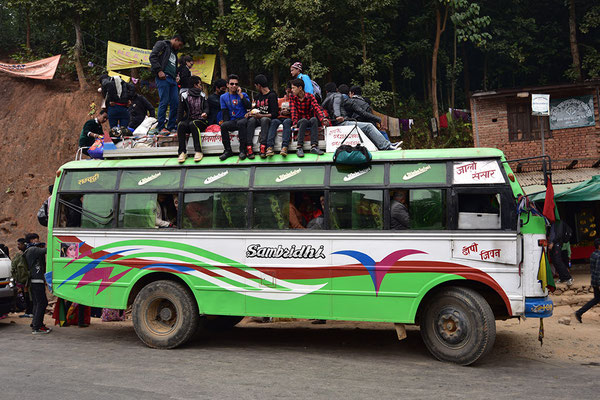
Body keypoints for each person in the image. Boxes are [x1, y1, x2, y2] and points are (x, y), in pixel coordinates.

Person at [343, 85, 399, 150]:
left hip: (350, 126)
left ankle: (388, 144)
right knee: (374, 128)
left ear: (352, 93)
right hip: (360, 127)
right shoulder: (364, 104)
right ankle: (387, 145)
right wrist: (378, 121)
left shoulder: (346, 102)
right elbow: (365, 115)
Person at [149, 34, 185, 134]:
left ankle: (171, 126)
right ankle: (160, 127)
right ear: (176, 40)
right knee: (164, 101)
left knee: (175, 103)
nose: (179, 47)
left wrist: (177, 75)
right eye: (180, 44)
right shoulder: (162, 44)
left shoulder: (174, 52)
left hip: (172, 80)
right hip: (163, 78)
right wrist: (159, 70)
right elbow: (152, 57)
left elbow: (172, 66)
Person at [289, 79, 328, 157]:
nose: (292, 90)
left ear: (300, 88)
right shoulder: (292, 97)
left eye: (293, 88)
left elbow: (317, 107)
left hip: (309, 119)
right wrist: (295, 122)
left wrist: (322, 118)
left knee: (314, 119)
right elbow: (293, 112)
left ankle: (314, 146)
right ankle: (299, 147)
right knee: (303, 121)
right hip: (300, 121)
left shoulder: (310, 96)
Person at [219, 74, 252, 161]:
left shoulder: (243, 94)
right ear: (227, 85)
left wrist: (241, 96)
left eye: (236, 84)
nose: (234, 86)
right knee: (223, 125)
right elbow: (224, 112)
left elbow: (249, 106)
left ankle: (243, 150)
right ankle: (228, 151)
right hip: (233, 120)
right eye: (232, 84)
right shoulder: (223, 97)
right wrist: (227, 123)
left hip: (243, 119)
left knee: (241, 123)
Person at [176, 76, 208, 163]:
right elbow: (180, 110)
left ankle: (198, 151)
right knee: (182, 125)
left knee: (193, 124)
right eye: (200, 84)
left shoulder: (202, 95)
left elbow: (206, 108)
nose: (201, 86)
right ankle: (182, 152)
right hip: (190, 119)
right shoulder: (184, 95)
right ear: (195, 85)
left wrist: (205, 113)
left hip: (201, 120)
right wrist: (178, 123)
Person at [248, 74, 279, 158]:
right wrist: (251, 112)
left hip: (267, 118)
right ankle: (249, 146)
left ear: (259, 85)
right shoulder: (257, 96)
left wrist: (261, 115)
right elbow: (254, 107)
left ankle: (263, 146)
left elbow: (275, 114)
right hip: (258, 117)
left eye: (256, 85)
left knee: (264, 119)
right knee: (251, 120)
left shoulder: (272, 95)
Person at [23, 240, 51, 334]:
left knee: (37, 303)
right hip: (36, 282)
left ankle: (36, 323)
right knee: (42, 303)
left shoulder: (30, 251)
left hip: (35, 282)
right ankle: (37, 327)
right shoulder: (33, 250)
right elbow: (49, 250)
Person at [575, 238, 600, 323]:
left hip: (594, 281)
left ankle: (579, 312)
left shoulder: (593, 254)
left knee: (596, 299)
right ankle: (579, 312)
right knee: (596, 299)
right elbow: (598, 271)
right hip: (598, 281)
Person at [269, 81, 294, 156]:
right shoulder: (280, 100)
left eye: (291, 92)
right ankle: (269, 146)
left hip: (288, 118)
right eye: (288, 91)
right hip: (279, 117)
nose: (289, 93)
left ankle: (284, 146)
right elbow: (275, 111)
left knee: (287, 122)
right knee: (273, 122)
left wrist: (289, 112)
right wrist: (281, 112)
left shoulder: (294, 100)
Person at [11, 238, 33, 318]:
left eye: (19, 244)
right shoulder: (19, 255)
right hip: (22, 280)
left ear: (24, 244)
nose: (18, 246)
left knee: (30, 296)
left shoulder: (27, 254)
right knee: (26, 295)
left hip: (28, 279)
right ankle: (28, 311)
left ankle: (30, 311)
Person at [549, 219, 573, 285]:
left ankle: (568, 277)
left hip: (557, 244)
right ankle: (562, 278)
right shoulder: (552, 224)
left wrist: (552, 243)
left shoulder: (559, 223)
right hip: (552, 245)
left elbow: (559, 235)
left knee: (558, 261)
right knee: (555, 262)